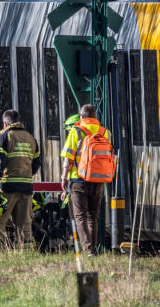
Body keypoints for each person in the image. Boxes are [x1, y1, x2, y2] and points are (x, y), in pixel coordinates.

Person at [0, 110, 41, 251]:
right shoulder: (31, 138)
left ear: (5, 122)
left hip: (7, 186)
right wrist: (27, 174)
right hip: (26, 187)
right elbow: (36, 163)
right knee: (24, 223)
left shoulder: (4, 137)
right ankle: (26, 251)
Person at [60, 104, 111, 256]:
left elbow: (68, 158)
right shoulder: (105, 132)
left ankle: (88, 250)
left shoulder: (76, 131)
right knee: (92, 217)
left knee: (80, 216)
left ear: (81, 117)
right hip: (98, 180)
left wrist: (63, 178)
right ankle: (92, 248)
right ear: (95, 117)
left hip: (78, 180)